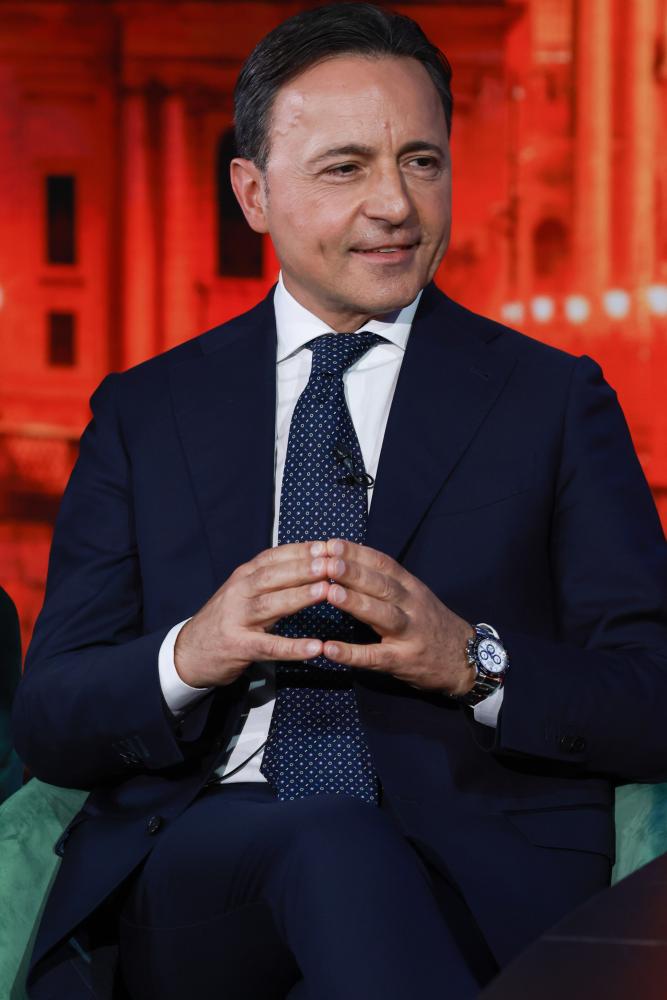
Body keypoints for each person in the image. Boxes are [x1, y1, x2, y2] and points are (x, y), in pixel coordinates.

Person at [12, 4, 667, 999]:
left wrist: (472, 661)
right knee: (326, 834)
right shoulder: (145, 411)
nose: (395, 205)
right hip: (204, 872)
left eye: (421, 162)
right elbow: (53, 716)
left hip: (476, 874)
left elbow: (651, 696)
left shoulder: (553, 401)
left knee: (346, 864)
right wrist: (192, 652)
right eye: (345, 168)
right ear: (253, 191)